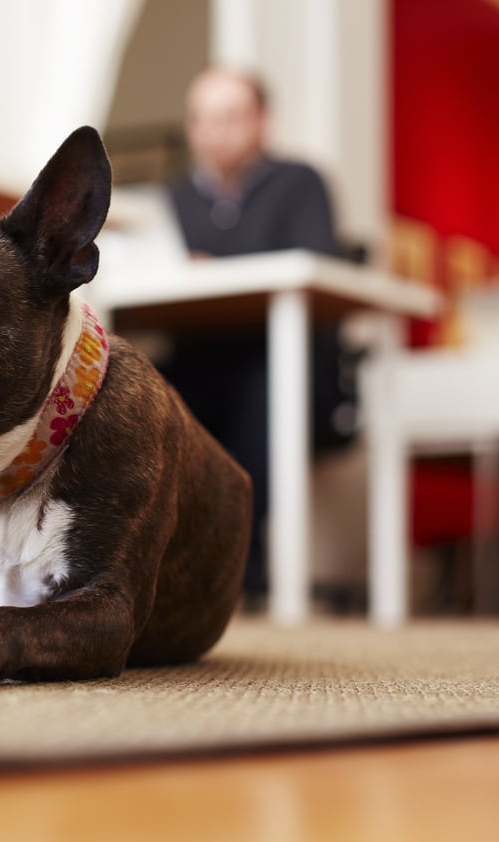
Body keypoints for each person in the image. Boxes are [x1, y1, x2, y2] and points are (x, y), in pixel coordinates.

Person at [160, 66, 349, 605]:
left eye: (230, 117)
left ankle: (243, 563)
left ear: (261, 122)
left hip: (286, 365)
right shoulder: (172, 201)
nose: (214, 131)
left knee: (263, 391)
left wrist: (210, 266)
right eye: (203, 119)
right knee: (140, 391)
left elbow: (315, 263)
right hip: (199, 361)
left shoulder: (300, 183)